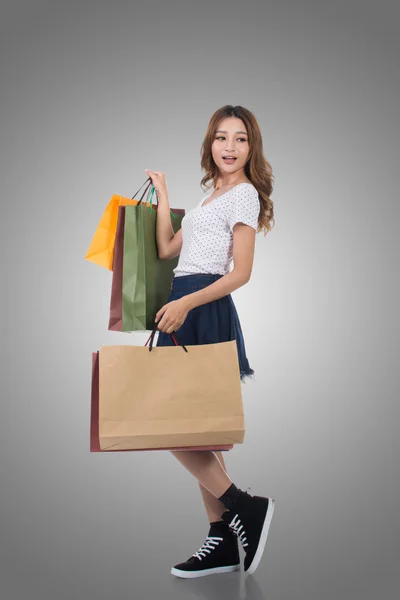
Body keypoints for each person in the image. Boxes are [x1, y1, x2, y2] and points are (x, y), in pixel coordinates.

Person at [145, 105, 275, 579]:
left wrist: (188, 304)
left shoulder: (243, 195)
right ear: (210, 143)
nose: (229, 147)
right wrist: (162, 193)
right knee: (196, 428)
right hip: (182, 301)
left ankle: (244, 506)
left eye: (240, 139)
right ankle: (221, 540)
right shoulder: (209, 197)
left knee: (170, 422)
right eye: (221, 137)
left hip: (201, 305)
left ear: (251, 147)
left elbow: (240, 273)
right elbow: (166, 249)